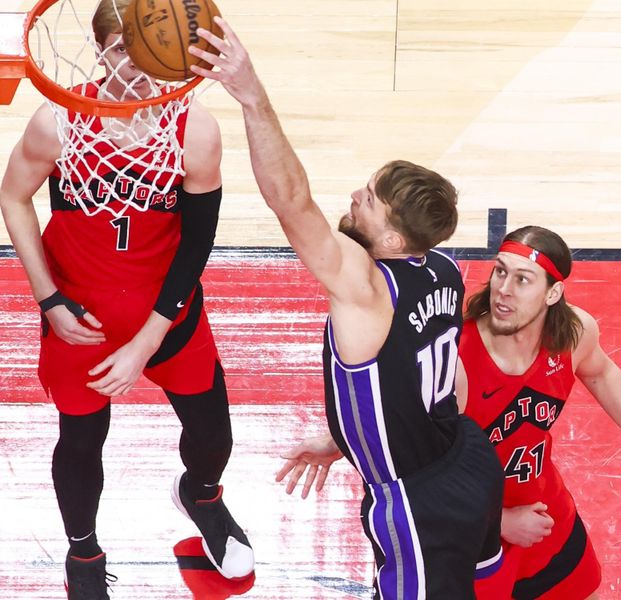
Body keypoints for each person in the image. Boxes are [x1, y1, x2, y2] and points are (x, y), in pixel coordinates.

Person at [188, 18, 506, 599]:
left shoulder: (366, 285)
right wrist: (347, 439)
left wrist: (251, 93)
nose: (357, 196)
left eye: (372, 199)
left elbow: (292, 204)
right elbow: (447, 386)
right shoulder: (444, 270)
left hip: (415, 503)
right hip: (470, 461)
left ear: (389, 242)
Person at [0, 1, 254, 597]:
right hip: (80, 322)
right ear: (101, 48)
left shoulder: (194, 127)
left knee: (214, 432)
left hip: (167, 317)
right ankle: (83, 555)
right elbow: (13, 198)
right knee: (82, 443)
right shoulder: (57, 121)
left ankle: (201, 493)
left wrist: (148, 339)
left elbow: (197, 243)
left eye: (149, 55)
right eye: (123, 51)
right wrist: (49, 301)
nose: (137, 69)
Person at [456, 225, 621, 600]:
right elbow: (421, 467)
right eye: (500, 271)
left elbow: (602, 373)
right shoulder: (455, 355)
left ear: (553, 293)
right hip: (471, 530)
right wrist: (501, 523)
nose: (503, 289)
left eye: (523, 280)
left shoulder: (573, 334)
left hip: (544, 515)